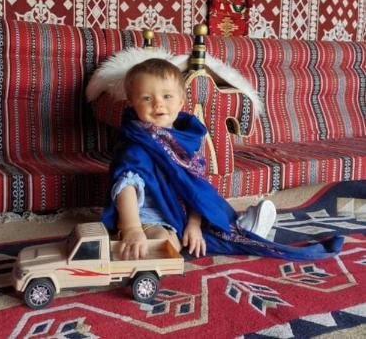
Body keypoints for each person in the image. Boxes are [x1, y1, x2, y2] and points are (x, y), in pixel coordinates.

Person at [102, 57, 342, 262]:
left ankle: (239, 226)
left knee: (210, 215)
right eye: (146, 98)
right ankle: (136, 247)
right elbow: (126, 186)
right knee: (167, 248)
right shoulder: (137, 146)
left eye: (167, 95)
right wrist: (132, 228)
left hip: (180, 211)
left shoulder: (185, 141)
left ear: (181, 102)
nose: (158, 104)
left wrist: (194, 225)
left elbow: (196, 189)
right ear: (132, 104)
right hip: (147, 216)